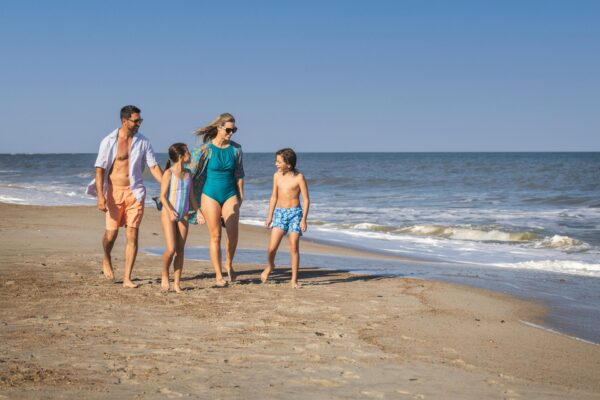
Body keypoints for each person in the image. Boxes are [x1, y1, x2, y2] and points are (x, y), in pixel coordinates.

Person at [86, 105, 163, 288]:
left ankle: (127, 278)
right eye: (136, 121)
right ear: (124, 121)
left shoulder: (144, 142)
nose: (139, 124)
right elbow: (100, 170)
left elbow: (153, 167)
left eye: (140, 120)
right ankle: (106, 257)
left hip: (135, 192)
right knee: (111, 235)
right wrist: (100, 197)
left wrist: (168, 186)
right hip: (113, 192)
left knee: (132, 234)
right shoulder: (109, 141)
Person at [187, 113, 244, 286]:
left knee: (233, 234)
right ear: (219, 128)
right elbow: (190, 171)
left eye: (234, 129)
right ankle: (219, 274)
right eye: (228, 129)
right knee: (216, 235)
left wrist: (241, 194)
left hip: (230, 194)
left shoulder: (236, 149)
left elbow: (239, 174)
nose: (231, 133)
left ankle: (229, 264)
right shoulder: (205, 150)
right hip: (209, 194)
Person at [261, 148, 310, 288]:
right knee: (271, 248)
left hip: (295, 214)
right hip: (280, 214)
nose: (276, 164)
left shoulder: (299, 177)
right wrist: (269, 216)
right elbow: (274, 196)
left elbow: (306, 199)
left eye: (279, 162)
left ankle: (294, 280)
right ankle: (270, 266)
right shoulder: (276, 176)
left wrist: (304, 219)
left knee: (293, 246)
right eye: (276, 161)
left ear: (289, 164)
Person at [159, 143, 202, 292]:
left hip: (183, 215)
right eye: (188, 153)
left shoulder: (188, 173)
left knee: (180, 250)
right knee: (171, 249)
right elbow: (162, 197)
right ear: (181, 157)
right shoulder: (169, 173)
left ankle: (177, 283)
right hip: (168, 214)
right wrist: (170, 211)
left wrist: (199, 212)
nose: (190, 155)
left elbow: (192, 197)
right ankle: (165, 275)